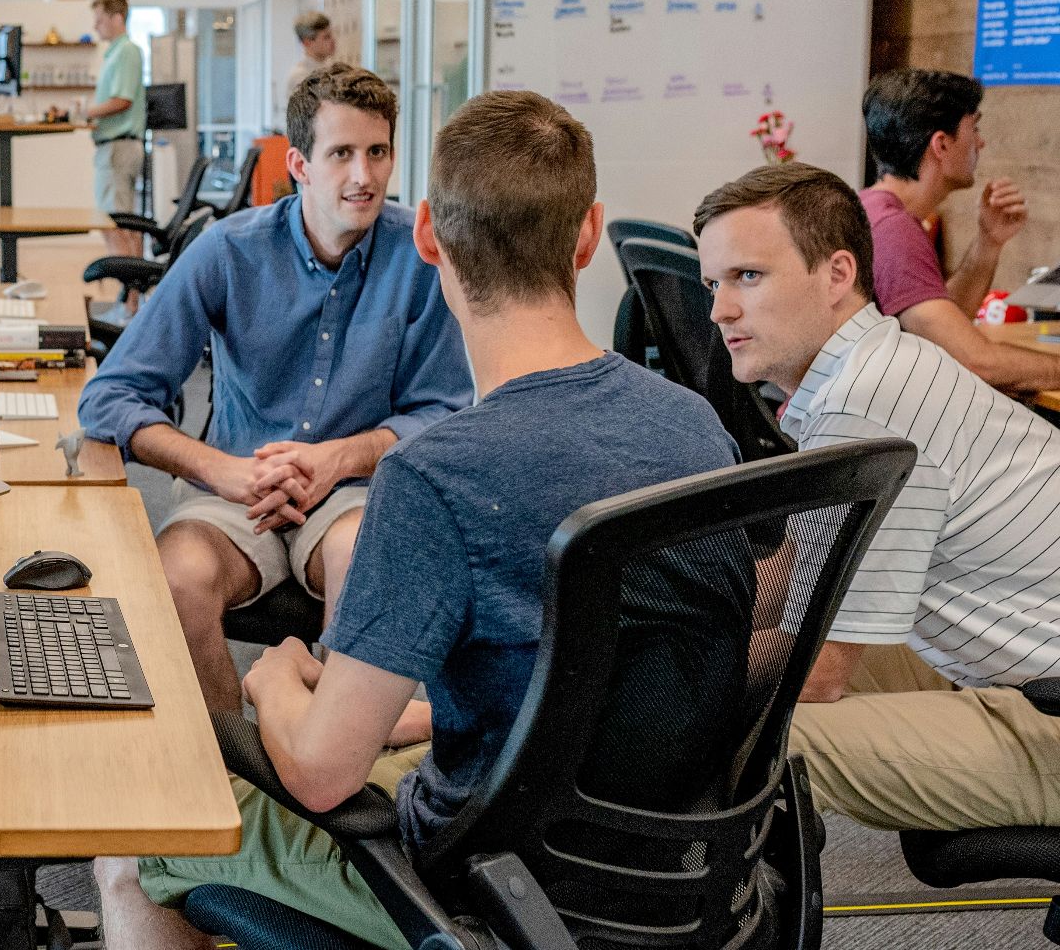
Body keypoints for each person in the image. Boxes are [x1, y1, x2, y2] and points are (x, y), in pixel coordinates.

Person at [95, 90, 745, 950]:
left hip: (478, 890)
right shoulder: (697, 425)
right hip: (674, 879)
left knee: (132, 840)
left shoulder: (433, 478)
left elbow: (324, 776)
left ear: (429, 234)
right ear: (590, 235)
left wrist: (276, 681)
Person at [77, 63, 472, 714]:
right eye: (341, 153)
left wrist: (338, 459)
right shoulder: (228, 252)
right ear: (299, 163)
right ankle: (237, 770)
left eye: (378, 153)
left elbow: (446, 413)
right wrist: (220, 470)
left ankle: (329, 766)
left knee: (368, 569)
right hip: (235, 489)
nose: (363, 176)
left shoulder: (422, 257)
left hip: (354, 492)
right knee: (177, 580)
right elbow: (110, 396)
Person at [696, 161, 1060, 832]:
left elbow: (820, 672)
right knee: (711, 673)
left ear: (837, 275)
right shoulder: (870, 372)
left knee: (753, 733)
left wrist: (621, 688)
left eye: (748, 276)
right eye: (714, 283)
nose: (720, 309)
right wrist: (666, 634)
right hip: (1014, 672)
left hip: (1045, 717)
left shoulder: (866, 405)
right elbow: (798, 576)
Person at [859, 68, 1060, 393]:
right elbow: (974, 360)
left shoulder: (877, 208)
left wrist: (989, 241)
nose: (980, 142)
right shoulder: (893, 230)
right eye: (973, 128)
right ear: (941, 144)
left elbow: (943, 328)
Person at [90, 0, 147, 257]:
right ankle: (131, 294)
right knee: (119, 223)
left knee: (115, 225)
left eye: (100, 19)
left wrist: (87, 112)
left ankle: (130, 296)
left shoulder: (126, 51)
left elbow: (122, 100)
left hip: (119, 147)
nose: (95, 25)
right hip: (114, 146)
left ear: (117, 18)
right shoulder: (115, 54)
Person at [282, 11, 338, 118]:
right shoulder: (299, 76)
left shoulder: (333, 67)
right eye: (326, 37)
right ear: (307, 42)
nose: (333, 40)